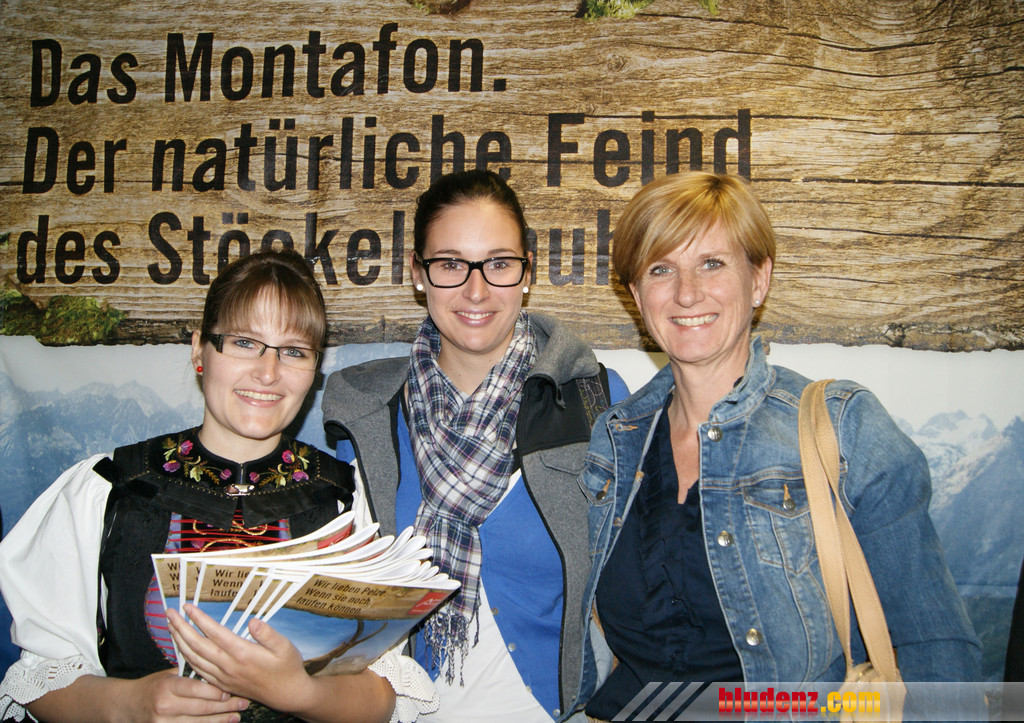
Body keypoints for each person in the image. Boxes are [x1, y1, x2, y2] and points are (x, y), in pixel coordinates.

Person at [570, 172, 984, 719]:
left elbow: (934, 646)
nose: (687, 292)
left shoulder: (842, 427)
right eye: (660, 269)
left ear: (759, 279)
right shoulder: (615, 439)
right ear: (636, 296)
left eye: (712, 263)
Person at [0, 250, 435, 722]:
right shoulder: (112, 488)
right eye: (245, 342)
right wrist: (131, 705)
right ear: (198, 350)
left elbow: (381, 695)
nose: (268, 372)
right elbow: (39, 682)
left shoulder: (343, 498)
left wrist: (302, 694)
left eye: (293, 351)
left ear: (314, 369)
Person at [321, 169, 629, 722]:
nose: (476, 290)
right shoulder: (363, 415)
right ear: (418, 274)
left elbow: (633, 587)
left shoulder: (593, 402)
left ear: (527, 272)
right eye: (450, 264)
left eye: (499, 264)